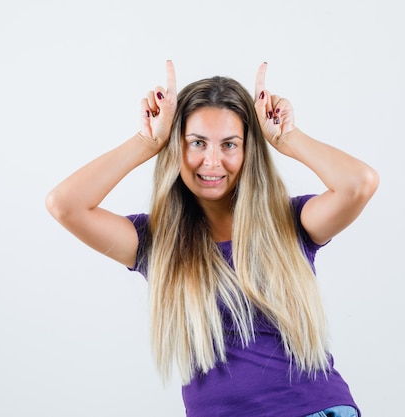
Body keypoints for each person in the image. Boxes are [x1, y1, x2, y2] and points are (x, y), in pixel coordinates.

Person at [46, 61, 379, 417]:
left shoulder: (291, 221)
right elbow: (65, 205)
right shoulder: (157, 243)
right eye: (197, 143)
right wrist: (147, 142)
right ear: (177, 148)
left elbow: (359, 183)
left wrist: (287, 138)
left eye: (230, 145)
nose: (212, 161)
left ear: (248, 150)